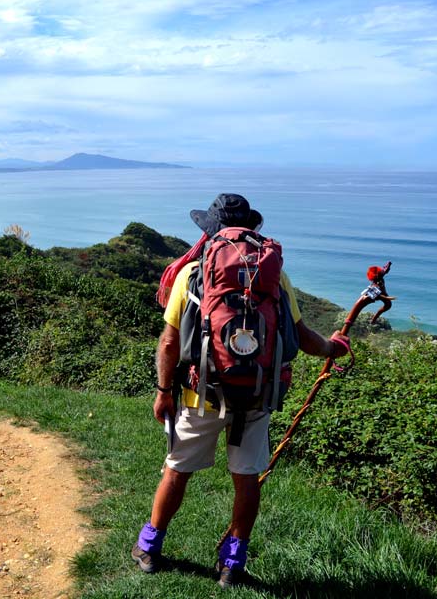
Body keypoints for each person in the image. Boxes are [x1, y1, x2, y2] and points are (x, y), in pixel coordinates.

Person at [131, 193, 351, 589]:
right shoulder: (274, 276)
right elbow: (302, 337)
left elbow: (168, 342)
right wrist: (332, 347)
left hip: (202, 393)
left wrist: (163, 391)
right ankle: (232, 563)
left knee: (177, 470)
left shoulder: (192, 272)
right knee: (246, 478)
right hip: (256, 394)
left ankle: (149, 546)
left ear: (211, 230)